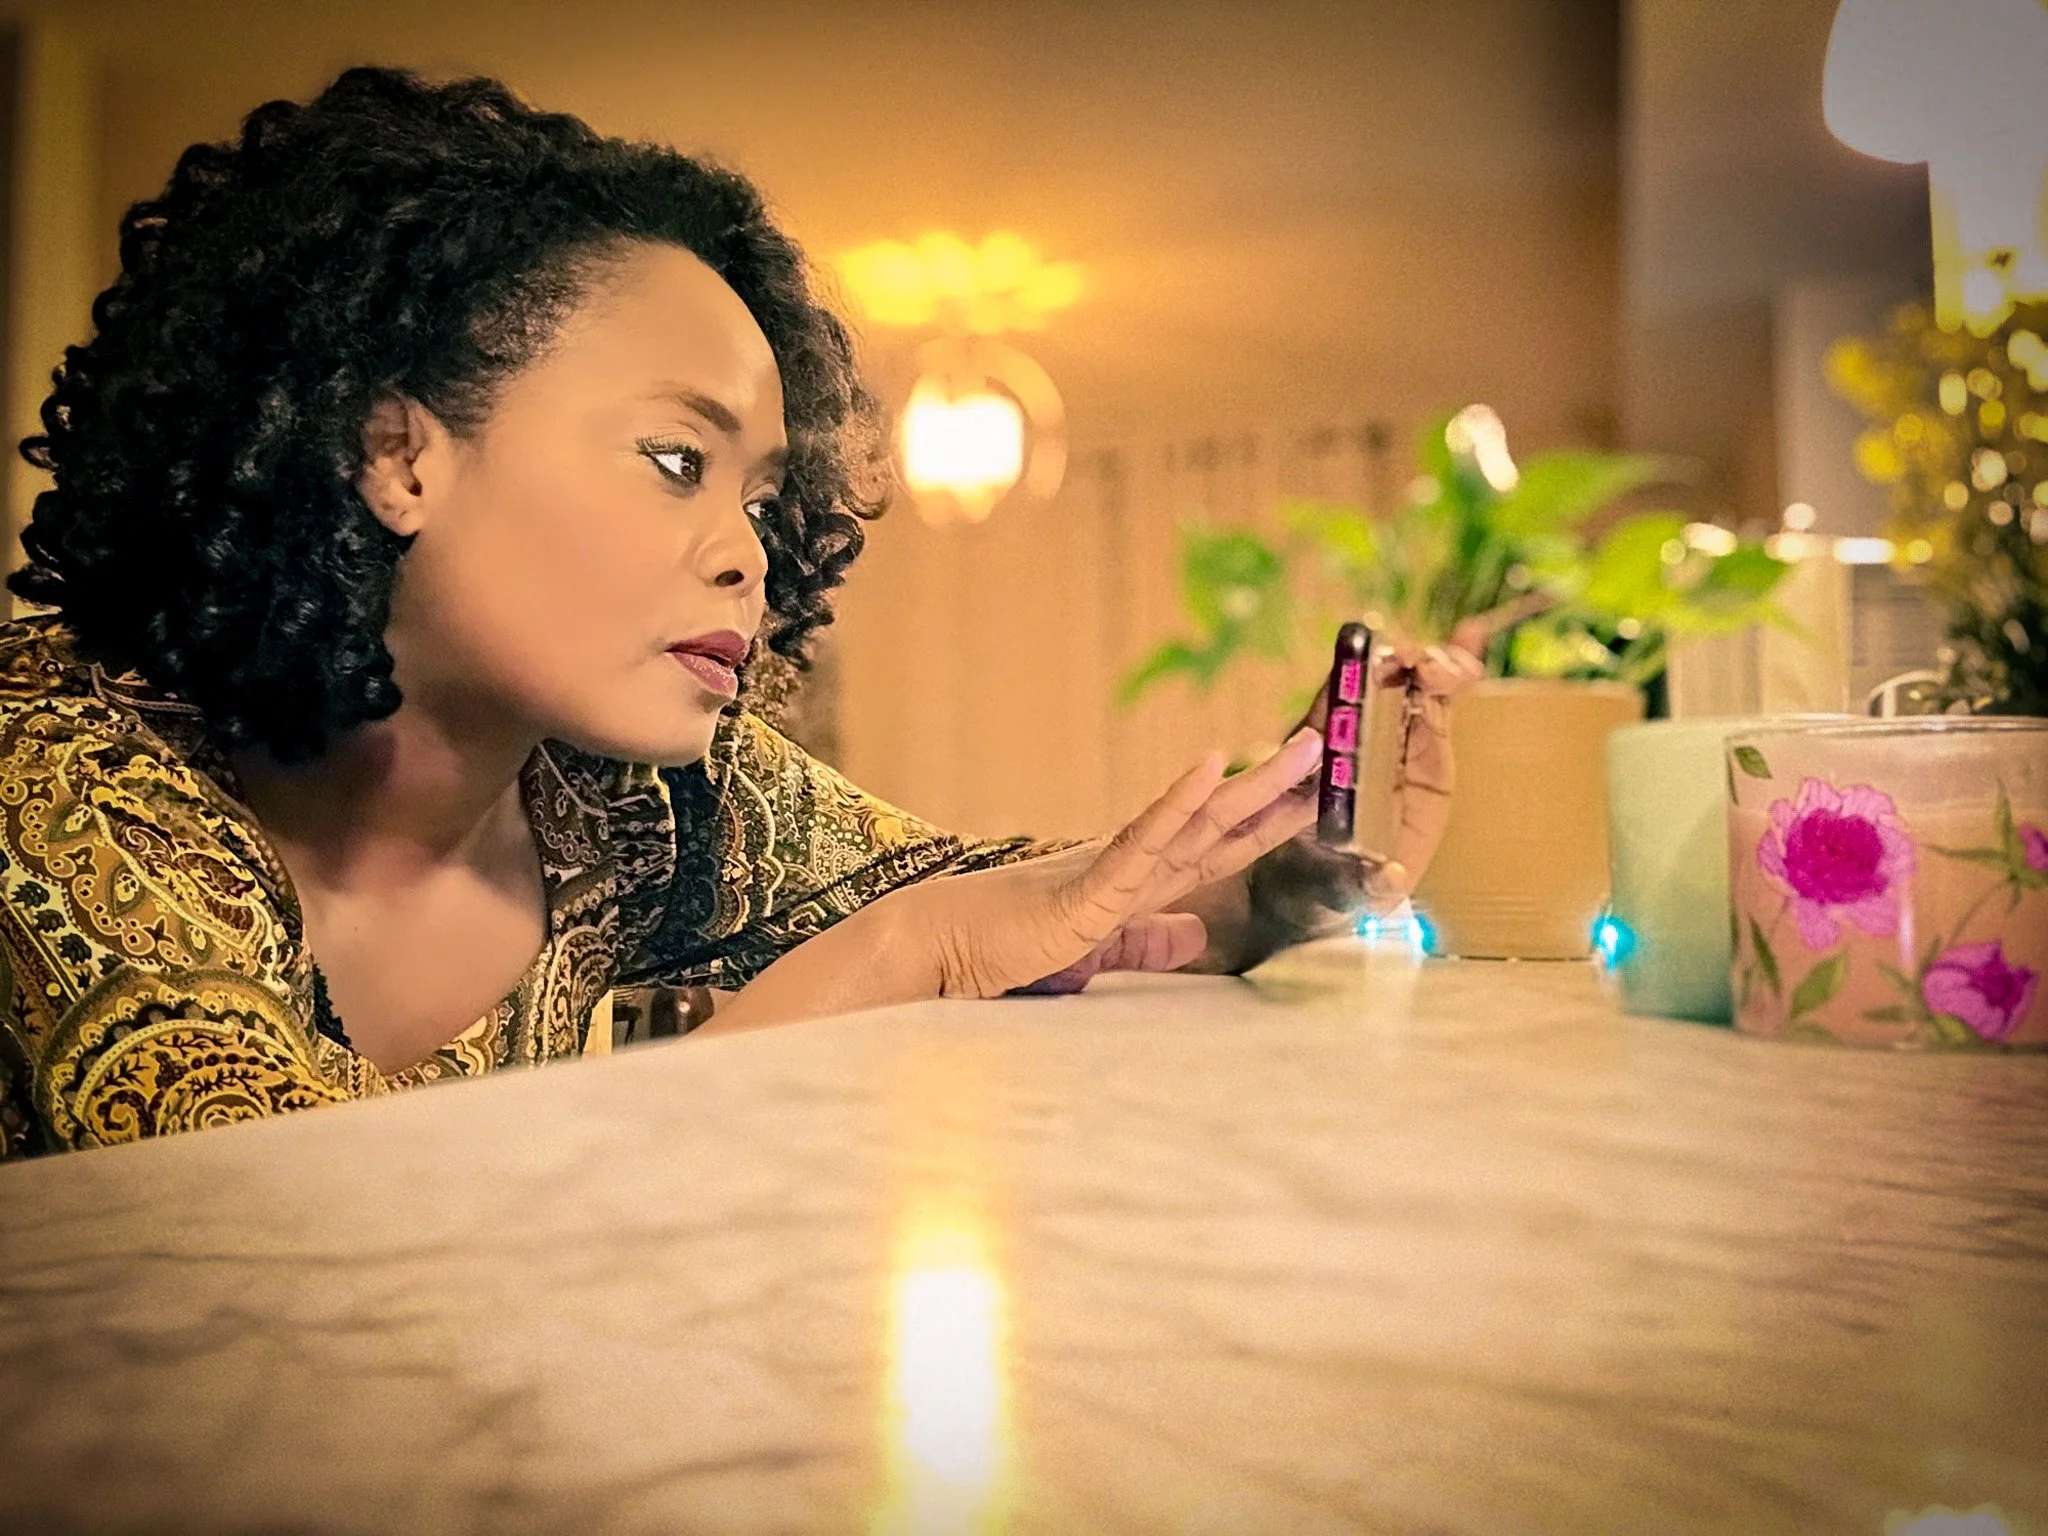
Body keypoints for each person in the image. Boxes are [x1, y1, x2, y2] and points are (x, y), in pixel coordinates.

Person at [0, 68, 1480, 1159]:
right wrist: (907, 957)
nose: (749, 561)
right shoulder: (50, 768)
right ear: (400, 453)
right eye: (672, 459)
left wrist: (1293, 879)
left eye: (765, 502)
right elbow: (281, 1249)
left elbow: (1016, 902)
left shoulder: (635, 796)